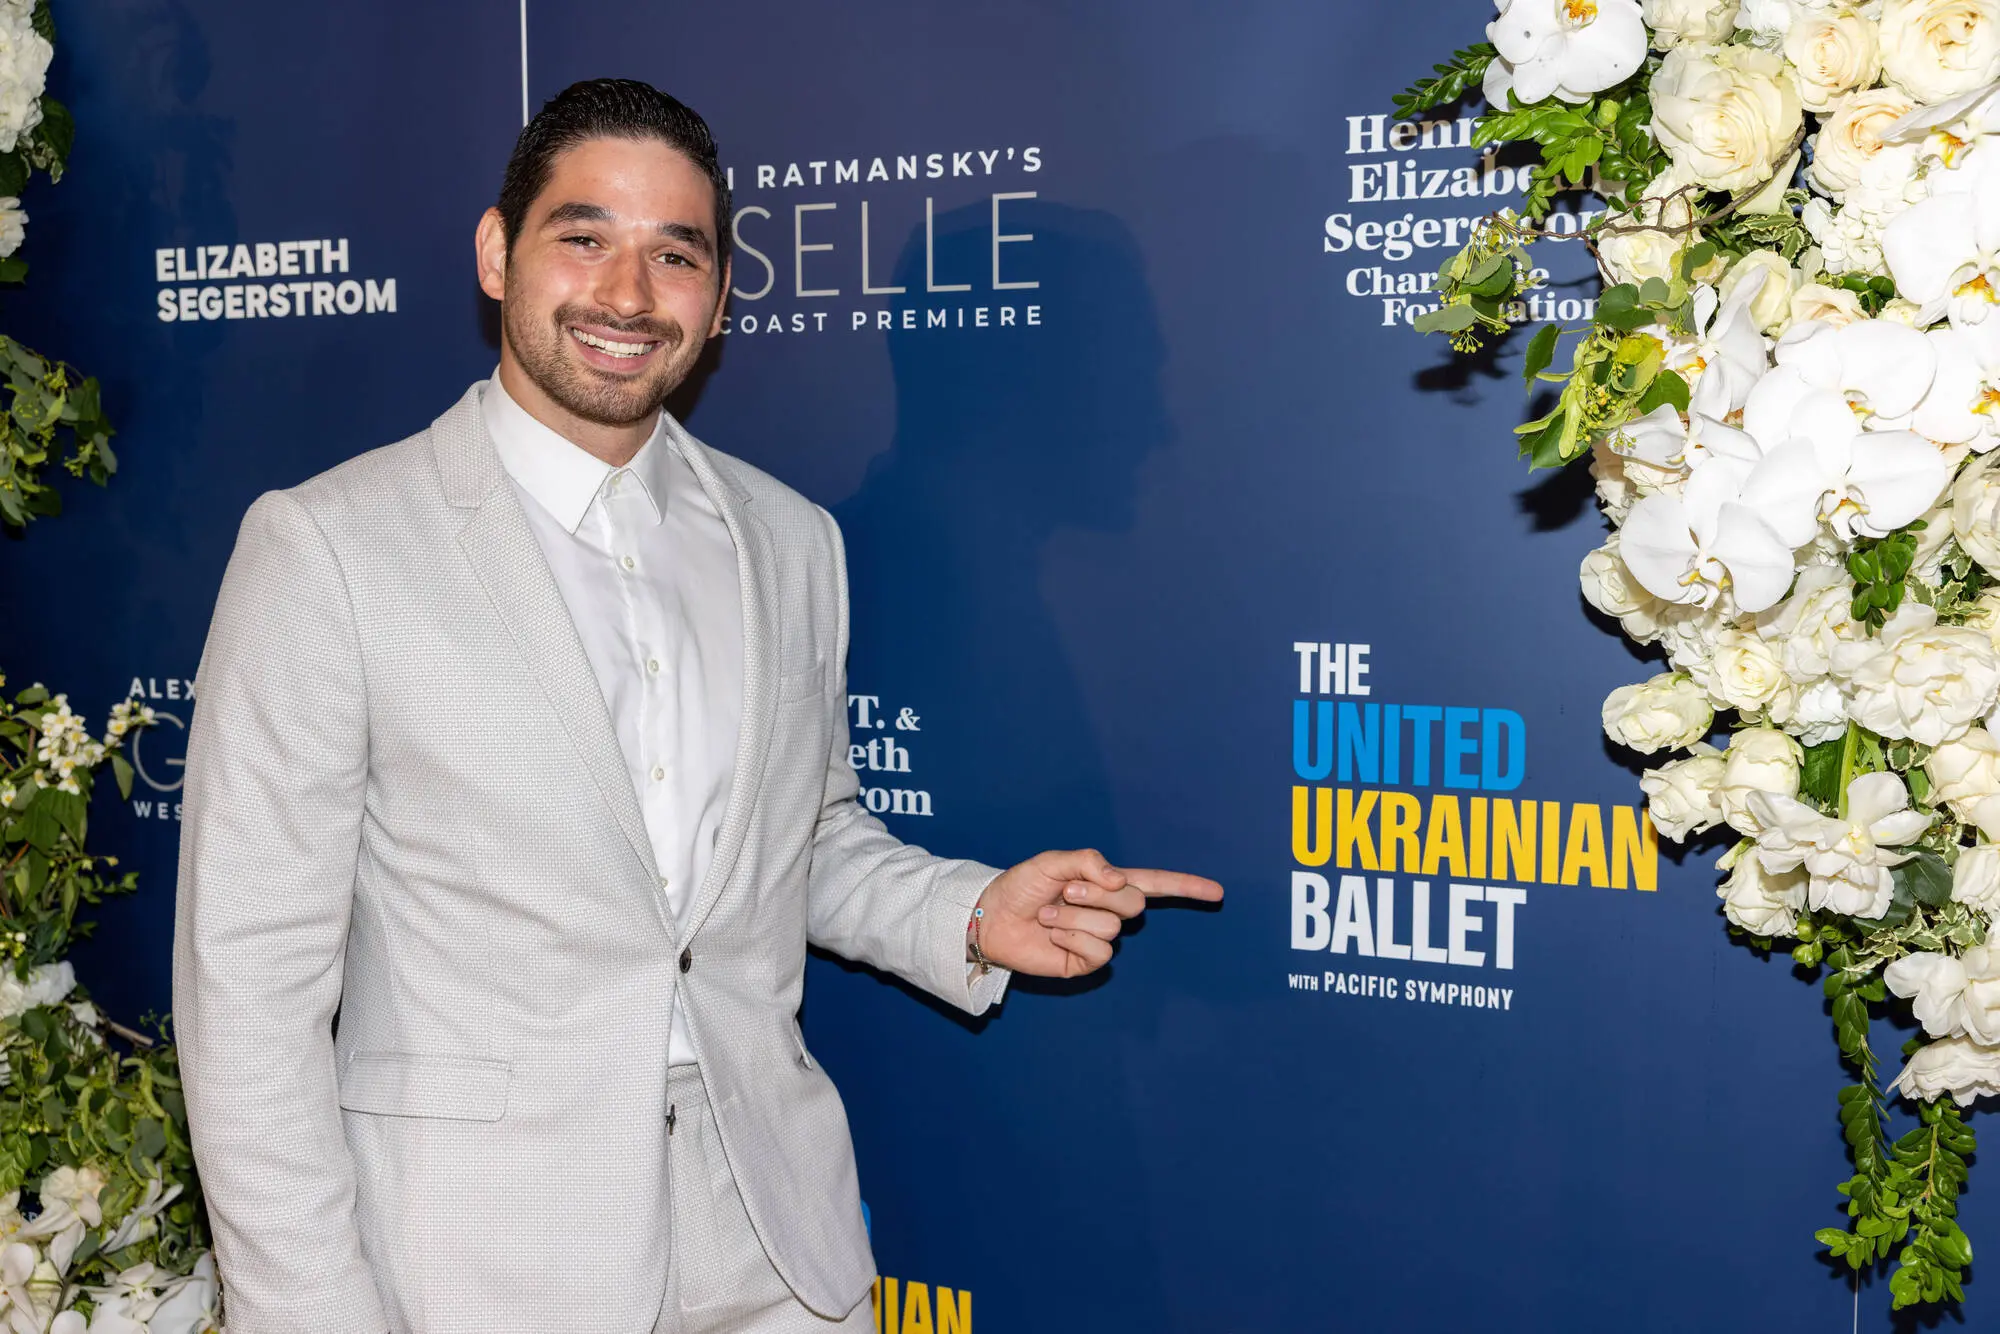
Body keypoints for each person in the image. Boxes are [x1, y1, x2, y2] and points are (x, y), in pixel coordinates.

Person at [171, 78, 1223, 1334]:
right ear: (497, 254)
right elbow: (246, 989)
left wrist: (969, 910)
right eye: (583, 237)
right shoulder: (329, 548)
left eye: (674, 254)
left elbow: (803, 842)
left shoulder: (790, 539)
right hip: (471, 1265)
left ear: (720, 299)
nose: (626, 293)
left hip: (775, 1246)